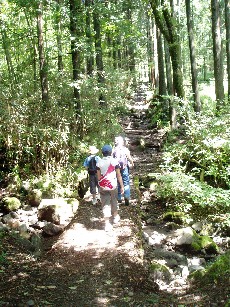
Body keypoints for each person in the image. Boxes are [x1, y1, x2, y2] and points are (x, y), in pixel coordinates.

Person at [96, 144, 124, 232]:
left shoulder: (99, 162)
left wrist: (100, 185)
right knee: (114, 200)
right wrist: (122, 186)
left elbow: (99, 177)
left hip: (103, 185)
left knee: (105, 203)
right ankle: (115, 217)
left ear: (102, 153)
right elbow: (119, 175)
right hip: (113, 185)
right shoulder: (115, 161)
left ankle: (107, 224)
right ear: (111, 152)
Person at [113, 136, 134, 206]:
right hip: (124, 168)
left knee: (118, 182)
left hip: (116, 168)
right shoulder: (125, 149)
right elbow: (129, 158)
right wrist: (132, 163)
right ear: (122, 142)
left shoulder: (114, 150)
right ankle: (126, 196)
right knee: (126, 182)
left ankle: (119, 197)